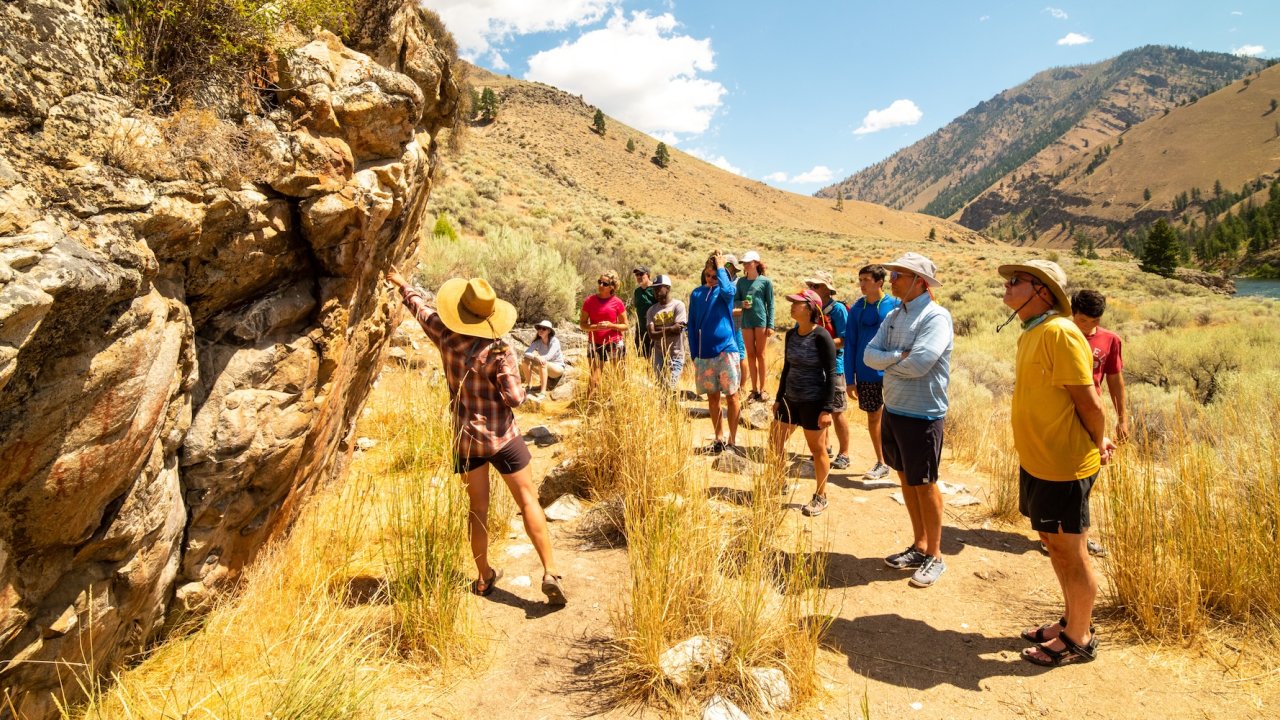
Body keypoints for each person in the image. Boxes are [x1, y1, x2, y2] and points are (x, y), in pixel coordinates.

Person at [385, 266, 566, 605]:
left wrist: (402, 285)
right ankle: (550, 571)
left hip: (467, 439)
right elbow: (515, 398)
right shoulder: (499, 352)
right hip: (503, 436)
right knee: (527, 499)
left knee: (477, 509)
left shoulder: (445, 335)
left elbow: (421, 309)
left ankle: (484, 577)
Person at [999, 260, 1115, 667]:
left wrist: (1097, 440)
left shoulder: (1060, 332)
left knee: (1070, 548)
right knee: (1053, 544)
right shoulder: (1033, 332)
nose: (1008, 286)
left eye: (1017, 282)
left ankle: (1079, 638)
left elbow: (1090, 402)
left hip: (1063, 464)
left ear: (1042, 291)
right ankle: (1071, 620)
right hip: (1038, 461)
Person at [864, 253, 953, 589]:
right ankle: (919, 546)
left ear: (920, 281)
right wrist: (896, 358)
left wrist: (889, 362)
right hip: (895, 409)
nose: (892, 280)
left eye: (899, 275)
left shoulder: (936, 317)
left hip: (923, 414)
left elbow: (921, 364)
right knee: (905, 479)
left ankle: (936, 555)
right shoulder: (893, 314)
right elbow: (869, 355)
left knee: (925, 483)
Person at [771, 289, 837, 517]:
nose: (792, 306)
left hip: (813, 402)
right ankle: (778, 482)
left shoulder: (822, 336)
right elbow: (787, 367)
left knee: (817, 449)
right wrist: (779, 398)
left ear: (810, 309)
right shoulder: (791, 335)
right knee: (774, 441)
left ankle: (821, 496)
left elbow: (831, 372)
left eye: (797, 303)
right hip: (790, 399)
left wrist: (827, 409)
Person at [844, 264, 901, 481]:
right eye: (860, 279)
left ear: (880, 282)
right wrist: (850, 379)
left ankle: (904, 461)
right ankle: (882, 462)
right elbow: (850, 343)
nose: (862, 284)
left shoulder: (895, 305)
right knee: (873, 416)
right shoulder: (857, 309)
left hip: (894, 371)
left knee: (899, 418)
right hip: (866, 372)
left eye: (867, 279)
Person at [689, 251, 742, 454]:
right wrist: (695, 353)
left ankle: (733, 440)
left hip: (726, 350)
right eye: (708, 274)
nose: (711, 279)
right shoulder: (696, 293)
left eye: (715, 275)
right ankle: (718, 438)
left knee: (732, 396)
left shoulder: (724, 291)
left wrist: (722, 268)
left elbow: (730, 293)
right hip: (705, 353)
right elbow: (692, 324)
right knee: (712, 397)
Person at [805, 270, 851, 469]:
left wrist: (824, 343)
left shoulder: (838, 310)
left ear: (826, 289)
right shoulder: (812, 308)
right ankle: (825, 446)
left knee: (837, 410)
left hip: (834, 366)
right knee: (819, 408)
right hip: (815, 366)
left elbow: (845, 338)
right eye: (811, 286)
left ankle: (845, 453)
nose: (812, 289)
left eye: (816, 286)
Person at [1071, 290, 1129, 444]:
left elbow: (1115, 380)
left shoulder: (1111, 340)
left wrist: (1122, 420)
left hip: (1091, 411)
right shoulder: (1059, 335)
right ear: (1073, 313)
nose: (1088, 326)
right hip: (1058, 410)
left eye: (1095, 321)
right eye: (1082, 320)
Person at [580, 271, 628, 395]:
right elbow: (582, 324)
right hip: (595, 343)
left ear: (612, 286)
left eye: (604, 283)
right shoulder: (589, 301)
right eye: (599, 282)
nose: (601, 285)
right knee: (594, 378)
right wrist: (596, 327)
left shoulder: (617, 302)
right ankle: (589, 408)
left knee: (620, 375)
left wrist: (611, 325)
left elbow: (625, 326)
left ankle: (621, 404)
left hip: (614, 342)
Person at [736, 250, 775, 402]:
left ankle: (763, 389)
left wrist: (770, 324)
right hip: (746, 321)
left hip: (760, 321)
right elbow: (736, 300)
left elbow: (771, 304)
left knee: (761, 354)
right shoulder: (741, 282)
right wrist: (742, 304)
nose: (745, 265)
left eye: (748, 262)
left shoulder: (765, 282)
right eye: (744, 263)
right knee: (750, 355)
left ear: (756, 263)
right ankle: (753, 389)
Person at [646, 274, 687, 390]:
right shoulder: (651, 310)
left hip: (676, 354)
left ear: (668, 288)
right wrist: (670, 328)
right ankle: (663, 408)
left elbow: (678, 330)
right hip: (659, 355)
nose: (655, 291)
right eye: (654, 288)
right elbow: (652, 335)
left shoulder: (678, 306)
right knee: (661, 386)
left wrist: (659, 329)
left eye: (659, 288)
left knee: (671, 387)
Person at [521, 320, 565, 398]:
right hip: (545, 365)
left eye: (544, 329)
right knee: (525, 361)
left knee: (542, 362)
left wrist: (538, 358)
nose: (540, 330)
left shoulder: (554, 341)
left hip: (557, 368)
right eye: (539, 328)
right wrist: (535, 357)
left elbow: (548, 356)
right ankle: (530, 386)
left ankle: (542, 392)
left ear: (549, 331)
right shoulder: (537, 341)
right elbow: (526, 353)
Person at [632, 266, 656, 360]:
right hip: (640, 328)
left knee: (655, 356)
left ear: (648, 275)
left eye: (641, 274)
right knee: (643, 357)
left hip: (653, 328)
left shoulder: (655, 289)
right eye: (637, 275)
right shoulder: (637, 291)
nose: (638, 276)